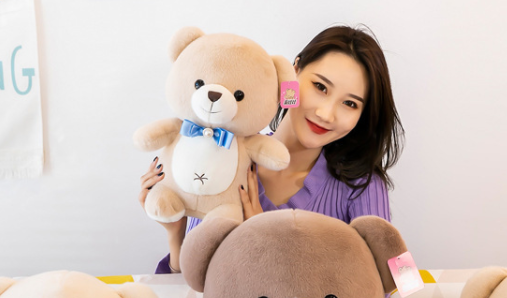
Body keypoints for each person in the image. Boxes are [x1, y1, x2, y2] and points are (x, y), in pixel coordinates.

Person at [140, 25, 404, 273]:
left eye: (350, 104)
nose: (326, 114)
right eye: (320, 87)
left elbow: (402, 280)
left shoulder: (363, 185)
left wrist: (266, 237)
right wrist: (175, 232)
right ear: (294, 72)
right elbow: (193, 287)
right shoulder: (221, 153)